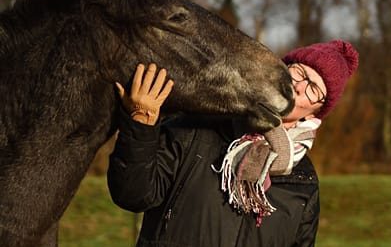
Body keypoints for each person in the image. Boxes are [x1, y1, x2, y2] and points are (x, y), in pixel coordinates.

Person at [107, 39, 359, 247]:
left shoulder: (303, 182)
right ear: (281, 71)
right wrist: (141, 124)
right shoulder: (202, 125)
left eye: (314, 88)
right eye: (299, 72)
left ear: (314, 113)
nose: (299, 86)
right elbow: (133, 194)